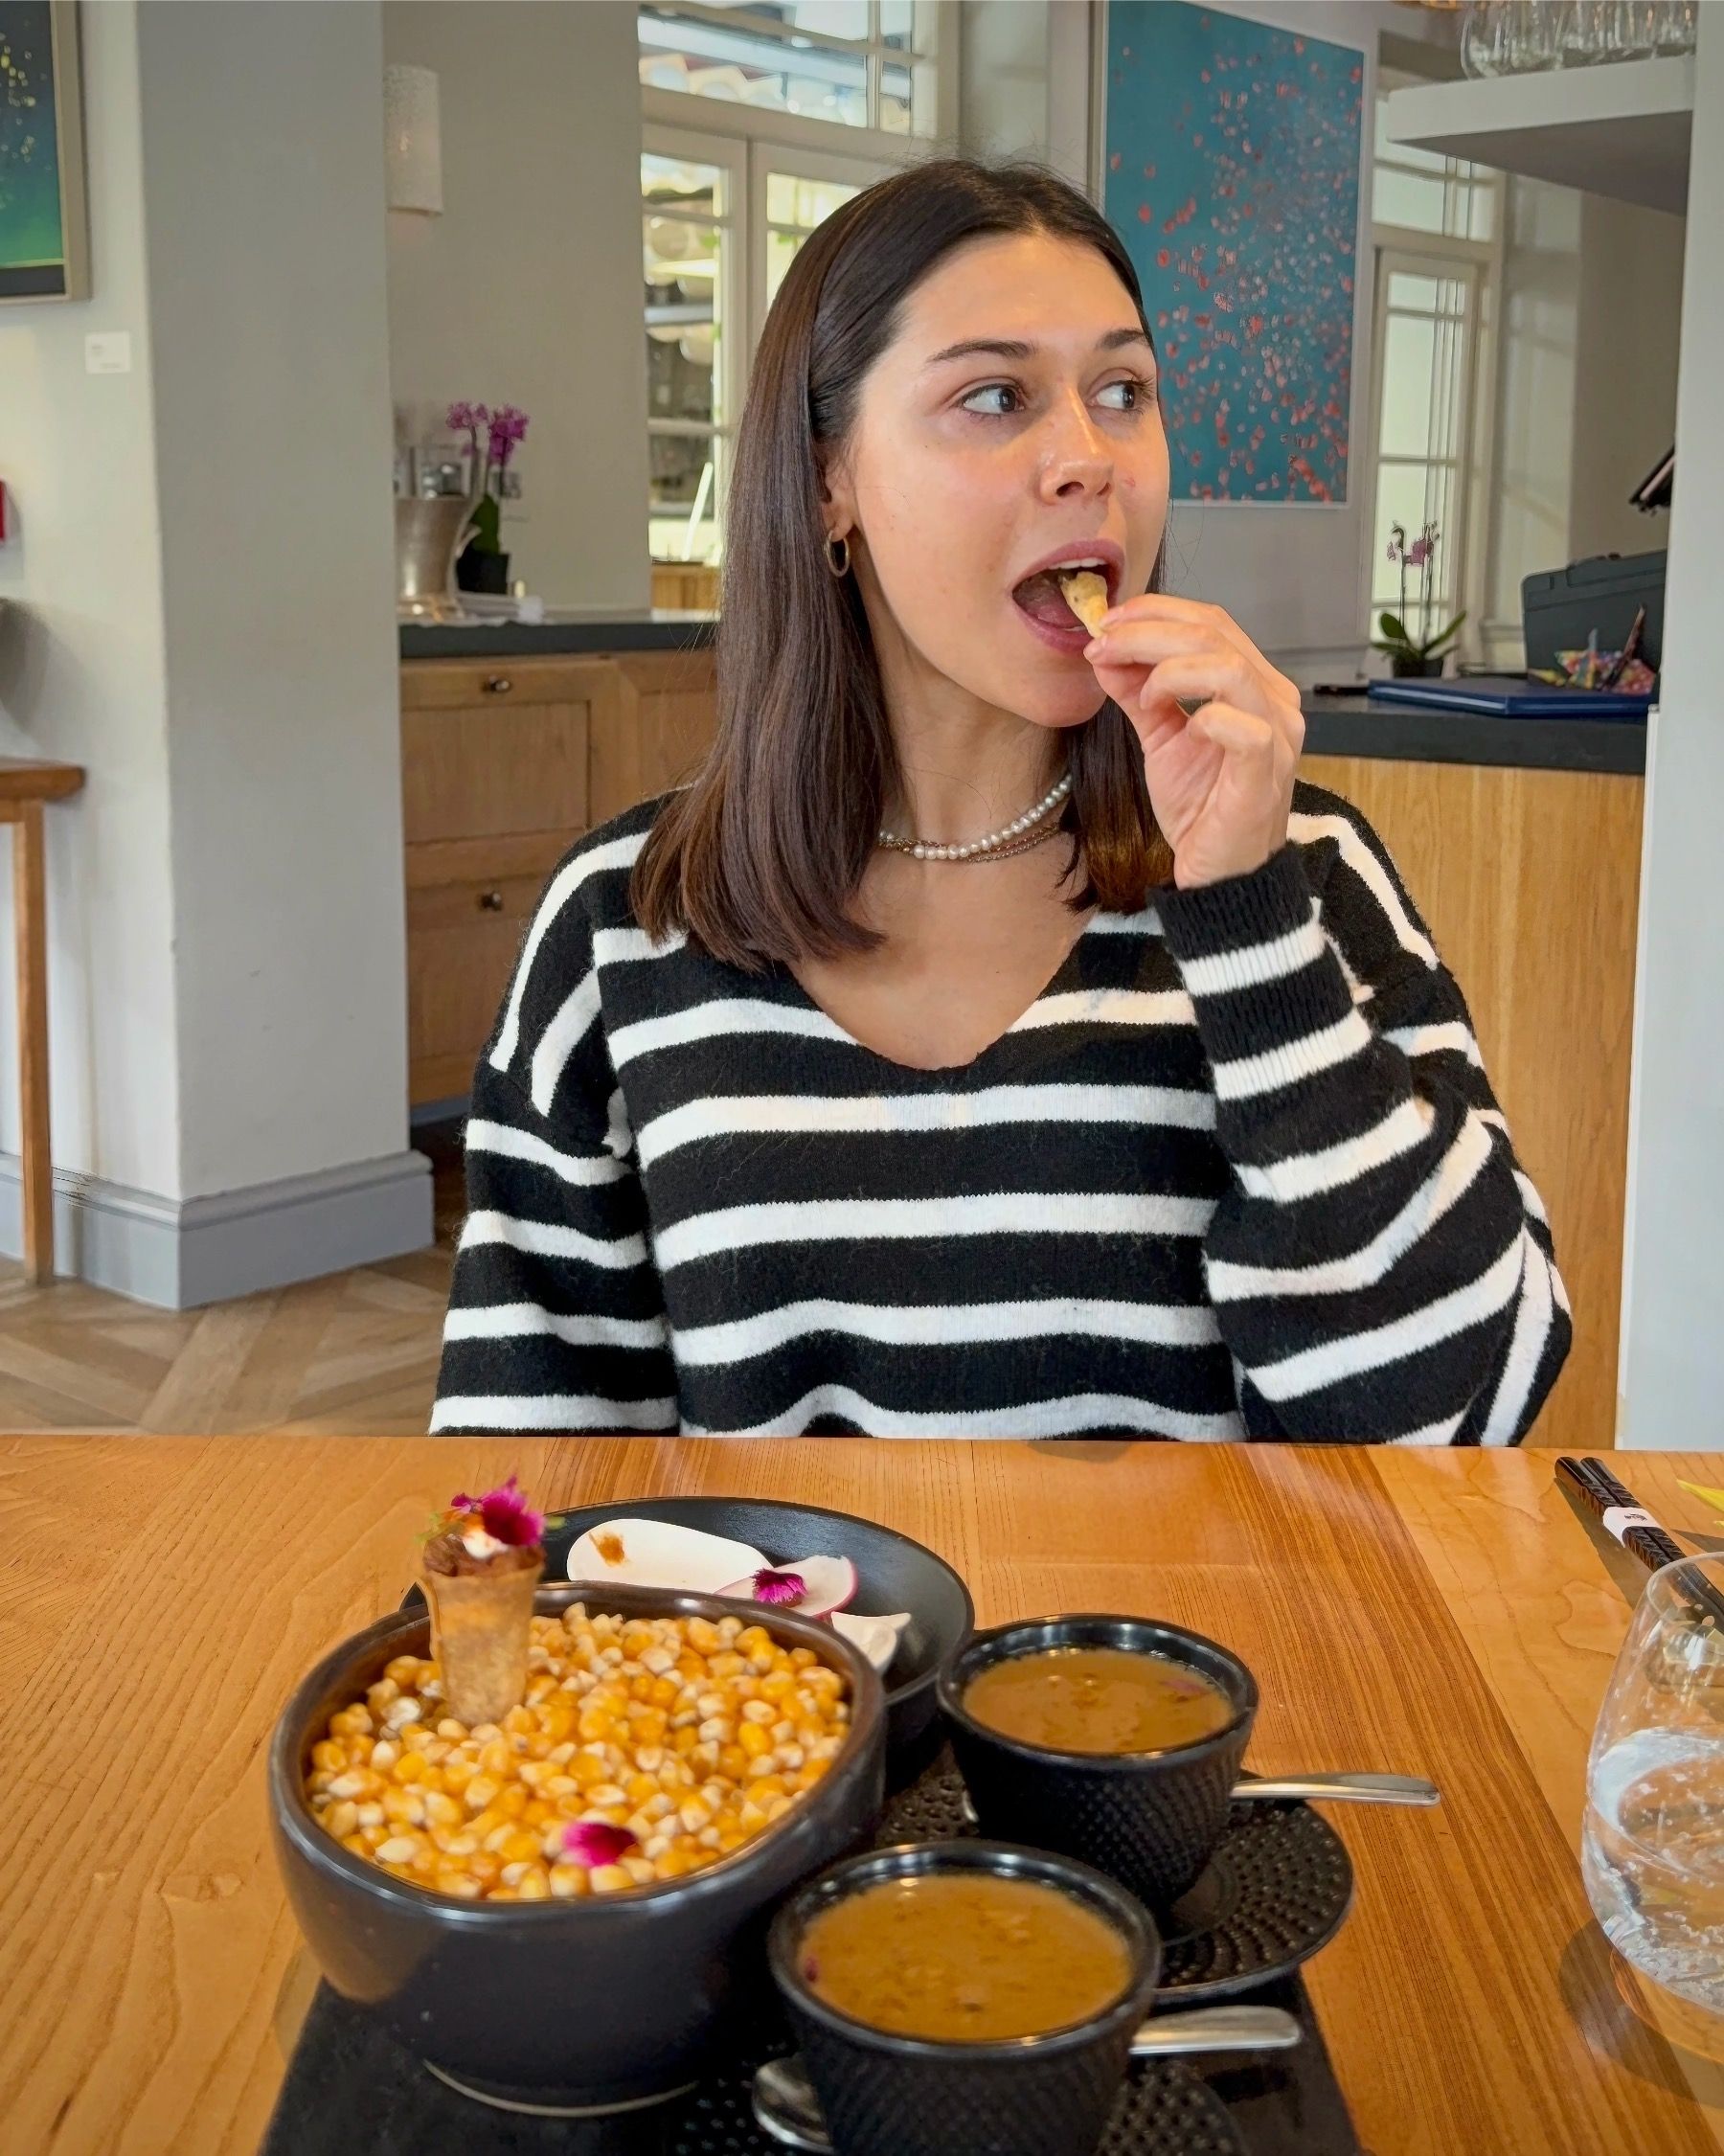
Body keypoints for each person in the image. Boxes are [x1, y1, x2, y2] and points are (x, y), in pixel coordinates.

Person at [432, 160, 1568, 1443]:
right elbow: (531, 1489)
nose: (1090, 458)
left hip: (1197, 1647)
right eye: (994, 396)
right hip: (795, 1651)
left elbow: (1458, 1422)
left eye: (1123, 392)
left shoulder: (1300, 867)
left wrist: (1248, 911)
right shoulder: (622, 926)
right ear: (826, 486)